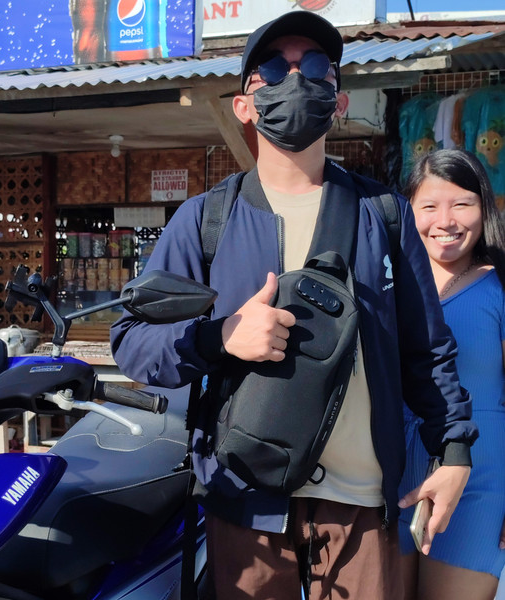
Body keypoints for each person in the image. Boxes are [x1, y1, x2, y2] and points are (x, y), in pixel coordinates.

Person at [110, 11, 477, 600]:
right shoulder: (207, 220)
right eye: (275, 71)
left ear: (338, 101)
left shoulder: (383, 215)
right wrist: (221, 336)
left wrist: (454, 451)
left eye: (315, 67)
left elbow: (426, 350)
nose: (297, 80)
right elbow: (132, 340)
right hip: (245, 498)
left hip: (361, 501)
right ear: (244, 105)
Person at [398, 149, 505, 600]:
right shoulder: (386, 283)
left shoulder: (499, 286)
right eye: (429, 206)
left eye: (462, 204)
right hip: (388, 479)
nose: (445, 221)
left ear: (484, 208)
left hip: (481, 480)